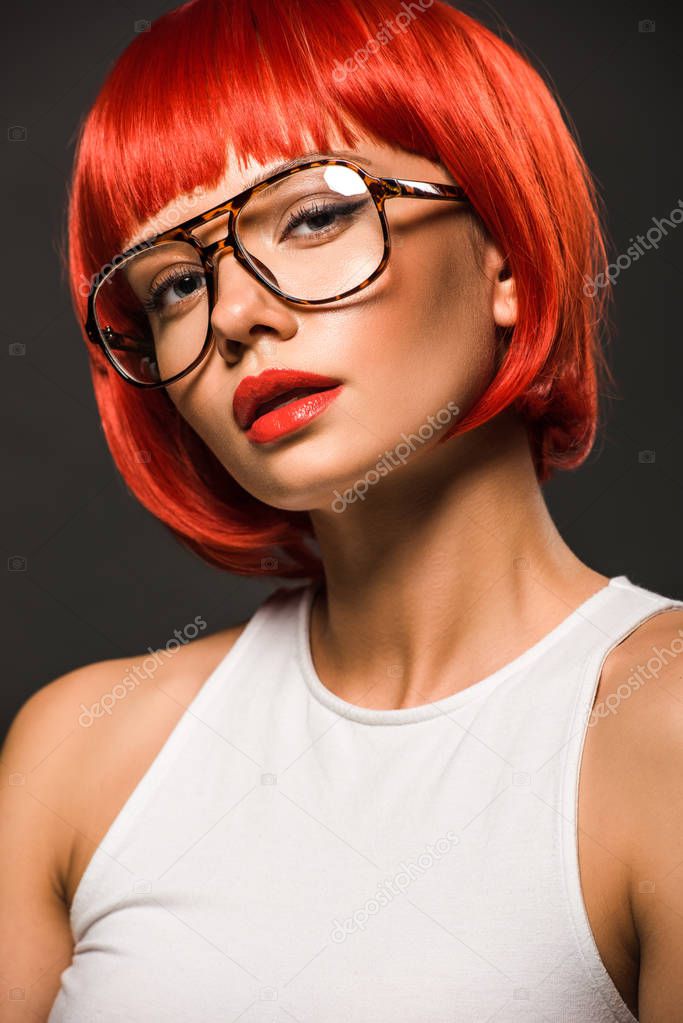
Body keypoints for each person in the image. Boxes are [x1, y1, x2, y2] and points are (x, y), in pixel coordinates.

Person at [1, 1, 681, 1020]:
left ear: (503, 253)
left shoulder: (658, 732)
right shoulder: (77, 754)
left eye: (313, 215)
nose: (234, 315)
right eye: (175, 285)